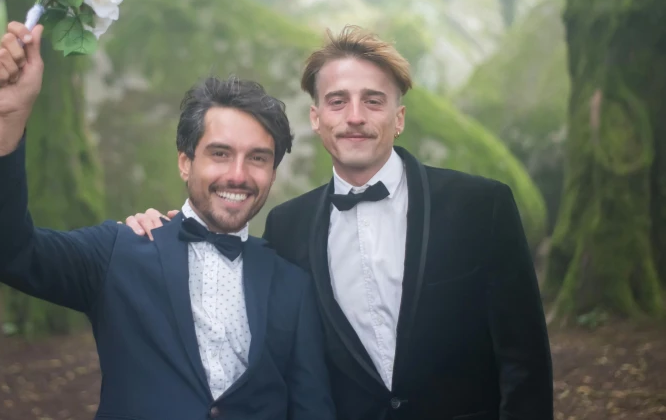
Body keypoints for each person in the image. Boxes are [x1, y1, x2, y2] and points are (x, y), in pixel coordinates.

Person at [126, 26, 554, 420]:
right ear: (316, 119)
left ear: (398, 118)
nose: (354, 116)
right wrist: (162, 230)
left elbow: (525, 361)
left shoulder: (482, 206)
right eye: (337, 101)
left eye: (373, 100)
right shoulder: (286, 227)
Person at [0, 22, 336, 420]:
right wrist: (7, 120)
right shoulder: (117, 252)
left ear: (273, 172)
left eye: (258, 158)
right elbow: (3, 251)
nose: (238, 174)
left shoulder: (293, 285)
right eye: (219, 153)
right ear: (185, 161)